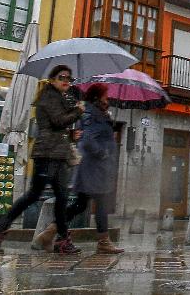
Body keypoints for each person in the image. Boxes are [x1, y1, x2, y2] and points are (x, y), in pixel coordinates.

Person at [0, 65, 84, 254]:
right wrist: (77, 112)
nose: (66, 81)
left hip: (58, 154)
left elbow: (58, 126)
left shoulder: (59, 98)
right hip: (46, 154)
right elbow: (57, 121)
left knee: (62, 199)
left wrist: (70, 134)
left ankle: (62, 240)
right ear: (53, 79)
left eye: (69, 79)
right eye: (62, 77)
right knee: (34, 195)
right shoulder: (48, 97)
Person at [63, 83, 123, 254]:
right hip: (94, 168)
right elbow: (88, 140)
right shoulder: (92, 114)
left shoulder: (98, 113)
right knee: (101, 204)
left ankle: (50, 231)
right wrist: (103, 152)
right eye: (105, 95)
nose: (108, 98)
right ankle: (103, 241)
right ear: (97, 97)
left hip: (94, 168)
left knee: (81, 204)